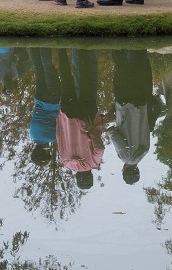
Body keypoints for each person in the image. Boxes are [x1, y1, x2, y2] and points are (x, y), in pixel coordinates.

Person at [109, 48, 159, 185]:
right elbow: (115, 136)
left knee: (136, 72)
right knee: (121, 70)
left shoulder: (145, 150)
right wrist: (108, 130)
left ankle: (137, 48)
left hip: (141, 105)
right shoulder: (125, 157)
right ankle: (120, 45)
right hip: (125, 107)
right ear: (124, 170)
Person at [56, 47, 104, 188]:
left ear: (90, 176)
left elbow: (99, 148)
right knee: (66, 79)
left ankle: (80, 49)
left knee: (85, 80)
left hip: (85, 117)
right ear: (77, 177)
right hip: (68, 115)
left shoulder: (94, 163)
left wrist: (92, 131)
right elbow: (60, 138)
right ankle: (61, 50)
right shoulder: (65, 161)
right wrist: (60, 118)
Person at [29, 47, 61, 163]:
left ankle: (45, 44)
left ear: (45, 151)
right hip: (39, 99)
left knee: (48, 69)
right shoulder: (32, 135)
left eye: (48, 152)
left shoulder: (51, 138)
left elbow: (61, 123)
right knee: (38, 69)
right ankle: (34, 45)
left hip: (52, 101)